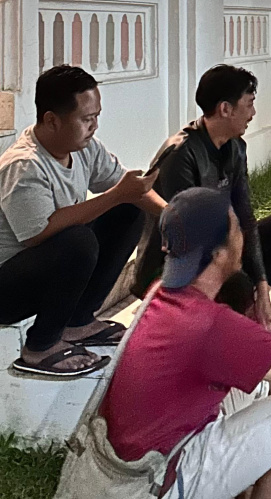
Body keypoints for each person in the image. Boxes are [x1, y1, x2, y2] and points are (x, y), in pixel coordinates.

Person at [100, 188, 271, 499]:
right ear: (218, 254)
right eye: (237, 228)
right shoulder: (209, 324)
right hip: (160, 480)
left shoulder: (161, 293)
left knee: (258, 390)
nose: (244, 235)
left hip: (141, 461)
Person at [0, 65, 165, 378]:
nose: (94, 126)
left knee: (128, 210)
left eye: (96, 116)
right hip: (7, 289)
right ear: (52, 120)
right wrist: (117, 195)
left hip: (48, 265)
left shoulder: (86, 148)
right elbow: (38, 234)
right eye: (86, 119)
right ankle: (40, 347)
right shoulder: (23, 165)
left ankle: (78, 322)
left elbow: (129, 188)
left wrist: (173, 216)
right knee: (77, 241)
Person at [132, 65, 271, 329]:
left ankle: (252, 303)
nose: (253, 113)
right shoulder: (181, 153)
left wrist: (262, 285)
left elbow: (245, 216)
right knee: (238, 283)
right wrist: (234, 266)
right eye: (249, 104)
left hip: (219, 250)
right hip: (174, 263)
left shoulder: (236, 147)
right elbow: (187, 234)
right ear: (225, 109)